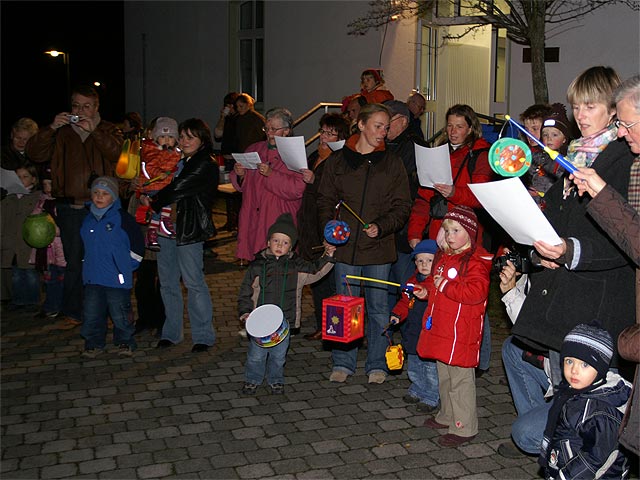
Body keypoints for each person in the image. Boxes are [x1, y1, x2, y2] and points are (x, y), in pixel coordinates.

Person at [503, 66, 636, 457]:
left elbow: (623, 237)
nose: (580, 114)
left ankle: (569, 450)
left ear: (613, 110)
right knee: (547, 372)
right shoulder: (573, 155)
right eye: (577, 106)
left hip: (597, 297)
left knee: (579, 388)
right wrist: (539, 242)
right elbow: (561, 221)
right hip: (563, 288)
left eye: (590, 105)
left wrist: (569, 250)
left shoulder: (622, 157)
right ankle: (556, 445)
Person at [317, 103, 412, 385]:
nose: (383, 132)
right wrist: (329, 230)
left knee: (379, 308)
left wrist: (382, 226)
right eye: (377, 126)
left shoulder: (392, 163)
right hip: (346, 247)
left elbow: (402, 205)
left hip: (379, 248)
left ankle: (377, 363)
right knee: (345, 305)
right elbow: (324, 200)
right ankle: (343, 362)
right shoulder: (338, 161)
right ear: (360, 125)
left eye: (386, 127)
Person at [570, 74, 640, 457]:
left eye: (627, 124)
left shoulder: (621, 160)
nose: (623, 132)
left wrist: (600, 194)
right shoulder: (580, 150)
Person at [26, 85, 124, 327]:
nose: (81, 111)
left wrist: (95, 133)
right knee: (73, 262)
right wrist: (50, 128)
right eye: (76, 106)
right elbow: (34, 153)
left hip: (102, 207)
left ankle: (108, 312)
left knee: (105, 260)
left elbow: (120, 156)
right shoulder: (61, 132)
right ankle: (73, 312)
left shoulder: (109, 129)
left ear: (96, 107)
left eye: (86, 106)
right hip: (70, 206)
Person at [414, 205, 492, 447]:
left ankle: (464, 426)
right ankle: (447, 415)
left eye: (455, 231)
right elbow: (433, 282)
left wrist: (446, 286)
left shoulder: (476, 262)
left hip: (460, 331)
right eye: (446, 231)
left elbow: (476, 292)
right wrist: (425, 290)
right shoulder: (445, 256)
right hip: (442, 328)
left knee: (460, 380)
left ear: (469, 232)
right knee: (445, 375)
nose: (449, 236)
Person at [141, 118, 218, 353]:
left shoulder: (205, 163)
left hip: (188, 229)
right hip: (167, 229)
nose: (183, 141)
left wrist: (153, 200)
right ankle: (171, 333)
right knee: (167, 283)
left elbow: (178, 188)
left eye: (189, 137)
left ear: (202, 141)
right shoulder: (179, 160)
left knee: (194, 283)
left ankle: (203, 335)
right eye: (182, 136)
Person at [239, 213, 335, 395]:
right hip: (260, 323)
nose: (279, 245)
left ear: (291, 246)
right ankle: (252, 379)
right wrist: (245, 312)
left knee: (278, 356)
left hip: (285, 321)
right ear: (268, 242)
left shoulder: (296, 265)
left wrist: (328, 255)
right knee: (256, 356)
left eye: (285, 242)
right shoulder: (257, 265)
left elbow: (316, 270)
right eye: (276, 241)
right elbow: (246, 291)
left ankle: (276, 380)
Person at [538, 323, 632, 479]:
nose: (574, 370)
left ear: (600, 369)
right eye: (569, 361)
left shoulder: (601, 410)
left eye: (585, 364)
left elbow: (594, 459)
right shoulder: (570, 392)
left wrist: (565, 476)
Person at [231, 107, 306, 265]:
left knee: (277, 268)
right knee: (257, 267)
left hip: (278, 218)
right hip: (254, 217)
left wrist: (272, 174)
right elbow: (245, 186)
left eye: (274, 129)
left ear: (286, 131)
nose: (269, 133)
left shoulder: (294, 153)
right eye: (267, 128)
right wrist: (240, 174)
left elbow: (297, 189)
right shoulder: (254, 149)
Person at [298, 113, 350, 340]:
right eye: (323, 131)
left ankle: (332, 327)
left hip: (326, 223)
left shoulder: (340, 160)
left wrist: (314, 181)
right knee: (315, 276)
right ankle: (322, 325)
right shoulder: (313, 156)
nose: (324, 136)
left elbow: (336, 191)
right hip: (309, 221)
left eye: (330, 133)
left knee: (328, 279)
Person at [80, 176, 144, 358]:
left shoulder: (123, 219)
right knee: (92, 313)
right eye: (96, 193)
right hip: (93, 277)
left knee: (120, 313)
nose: (99, 197)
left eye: (105, 194)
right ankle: (93, 343)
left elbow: (137, 243)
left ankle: (125, 341)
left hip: (117, 277)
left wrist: (128, 265)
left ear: (114, 197)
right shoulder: (88, 219)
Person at [389, 239, 439, 414]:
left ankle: (432, 395)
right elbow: (405, 302)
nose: (424, 264)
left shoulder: (438, 281)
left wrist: (423, 291)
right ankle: (418, 388)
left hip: (430, 332)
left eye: (429, 260)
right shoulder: (412, 280)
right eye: (420, 260)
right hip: (413, 330)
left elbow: (431, 291)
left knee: (430, 367)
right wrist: (397, 315)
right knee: (414, 364)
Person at [383, 100, 421, 310]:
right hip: (386, 231)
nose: (384, 125)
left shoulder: (414, 147)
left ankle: (410, 336)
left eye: (389, 119)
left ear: (403, 121)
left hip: (404, 230)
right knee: (385, 288)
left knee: (405, 287)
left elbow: (409, 188)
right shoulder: (383, 145)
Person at [1, 163, 42, 311]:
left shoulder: (37, 197)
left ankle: (32, 300)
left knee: (30, 274)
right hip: (12, 243)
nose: (21, 180)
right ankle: (19, 300)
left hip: (29, 243)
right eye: (18, 177)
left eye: (25, 177)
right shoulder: (8, 198)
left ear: (33, 180)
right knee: (16, 274)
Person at [138, 117, 181, 250]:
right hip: (153, 185)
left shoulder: (173, 151)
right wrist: (159, 174)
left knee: (158, 210)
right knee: (164, 201)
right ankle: (164, 222)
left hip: (162, 185)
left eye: (170, 136)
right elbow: (149, 166)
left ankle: (152, 233)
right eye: (162, 136)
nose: (167, 140)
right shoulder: (152, 150)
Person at [30, 169, 66, 319]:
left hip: (61, 247)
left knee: (63, 279)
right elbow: (34, 218)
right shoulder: (41, 202)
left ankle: (64, 306)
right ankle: (51, 306)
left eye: (50, 184)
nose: (47, 187)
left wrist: (58, 227)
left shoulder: (63, 202)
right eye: (45, 184)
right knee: (50, 280)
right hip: (47, 248)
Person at [525, 103, 573, 205]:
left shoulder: (565, 159)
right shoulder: (534, 155)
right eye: (545, 135)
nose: (529, 134)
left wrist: (539, 194)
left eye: (535, 129)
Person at [214, 91, 239, 161]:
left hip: (236, 157)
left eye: (231, 105)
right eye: (227, 105)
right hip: (225, 155)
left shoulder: (241, 119)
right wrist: (222, 117)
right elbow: (217, 135)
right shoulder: (227, 119)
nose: (229, 107)